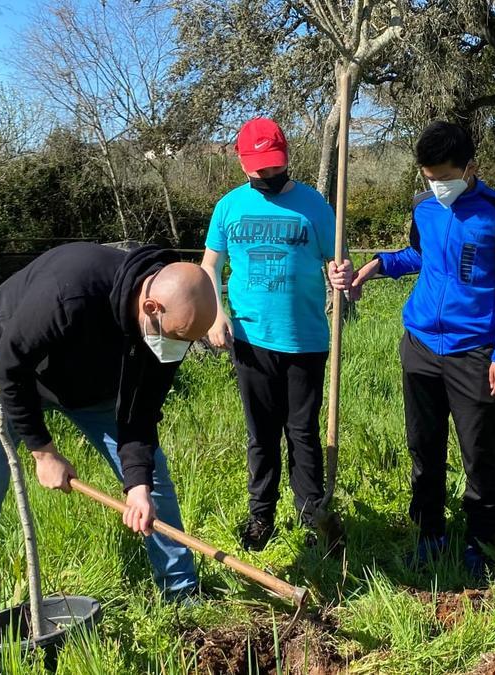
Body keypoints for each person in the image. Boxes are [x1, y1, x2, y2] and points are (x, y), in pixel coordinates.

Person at [0, 243, 218, 600]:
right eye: (174, 338)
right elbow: (11, 369)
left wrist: (137, 483)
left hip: (91, 390)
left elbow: (143, 412)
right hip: (1, 365)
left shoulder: (172, 328)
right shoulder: (70, 290)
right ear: (151, 307)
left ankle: (181, 591)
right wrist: (43, 452)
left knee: (153, 484)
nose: (176, 349)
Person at [340, 121, 495, 580]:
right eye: (429, 177)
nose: (437, 186)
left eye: (444, 176)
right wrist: (377, 265)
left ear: (470, 167)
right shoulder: (424, 207)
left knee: (478, 451)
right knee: (423, 447)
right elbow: (420, 255)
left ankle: (480, 541)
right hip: (420, 344)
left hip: (474, 351)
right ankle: (429, 536)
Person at [201, 117, 352, 552]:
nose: (268, 174)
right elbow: (210, 266)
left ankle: (312, 514)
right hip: (251, 338)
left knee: (302, 431)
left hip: (305, 339)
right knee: (261, 433)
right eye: (259, 168)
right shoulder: (229, 207)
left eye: (275, 165)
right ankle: (260, 517)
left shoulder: (316, 206)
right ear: (243, 164)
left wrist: (341, 275)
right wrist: (216, 314)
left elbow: (336, 262)